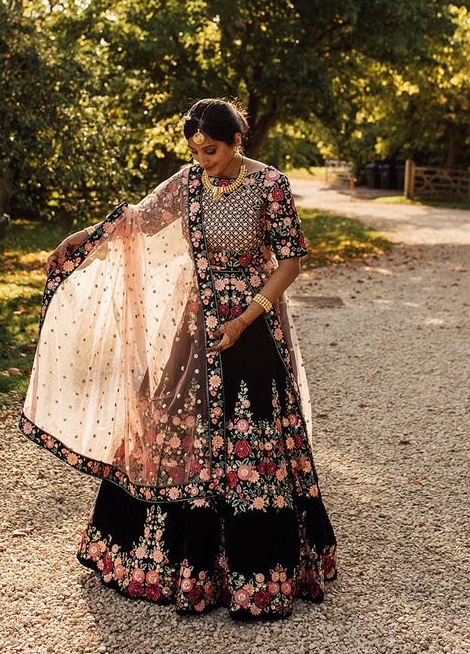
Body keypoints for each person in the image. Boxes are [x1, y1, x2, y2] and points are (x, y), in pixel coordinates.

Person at [19, 97, 337, 621]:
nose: (202, 159)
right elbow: (137, 221)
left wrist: (246, 317)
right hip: (198, 327)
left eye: (210, 150)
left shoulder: (269, 185)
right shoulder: (188, 183)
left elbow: (292, 261)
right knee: (167, 425)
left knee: (252, 440)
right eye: (195, 151)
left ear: (237, 141)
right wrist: (79, 240)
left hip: (252, 324)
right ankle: (174, 562)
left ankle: (259, 572)